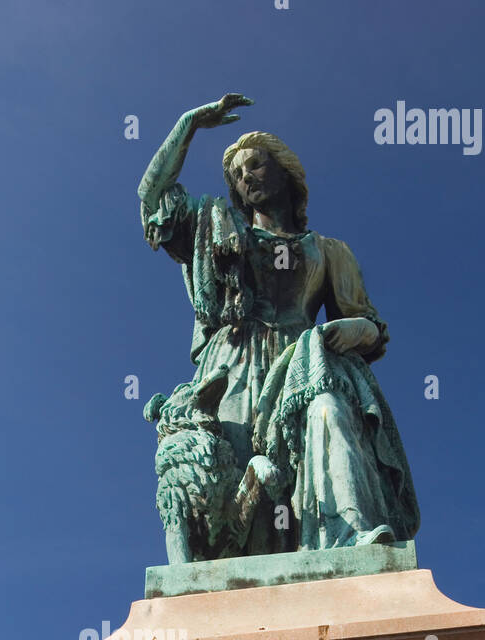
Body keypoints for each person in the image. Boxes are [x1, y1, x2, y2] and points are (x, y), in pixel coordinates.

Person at [139, 94, 420, 562]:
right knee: (232, 506)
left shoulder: (329, 251)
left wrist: (353, 331)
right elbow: (152, 199)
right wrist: (188, 125)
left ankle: (342, 544)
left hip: (301, 366)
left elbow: (370, 327)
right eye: (236, 175)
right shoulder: (214, 227)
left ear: (285, 173)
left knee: (312, 457)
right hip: (228, 375)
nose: (245, 177)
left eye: (255, 166)